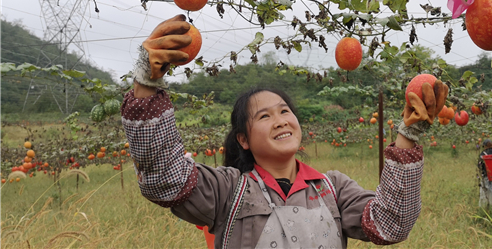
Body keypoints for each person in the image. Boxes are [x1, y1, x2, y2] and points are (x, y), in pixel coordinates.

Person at [121, 15, 450, 248]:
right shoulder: (228, 190)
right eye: (264, 116)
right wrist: (146, 83)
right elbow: (165, 179)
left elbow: (391, 224)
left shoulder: (332, 188)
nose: (280, 120)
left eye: (284, 111)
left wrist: (409, 136)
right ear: (243, 139)